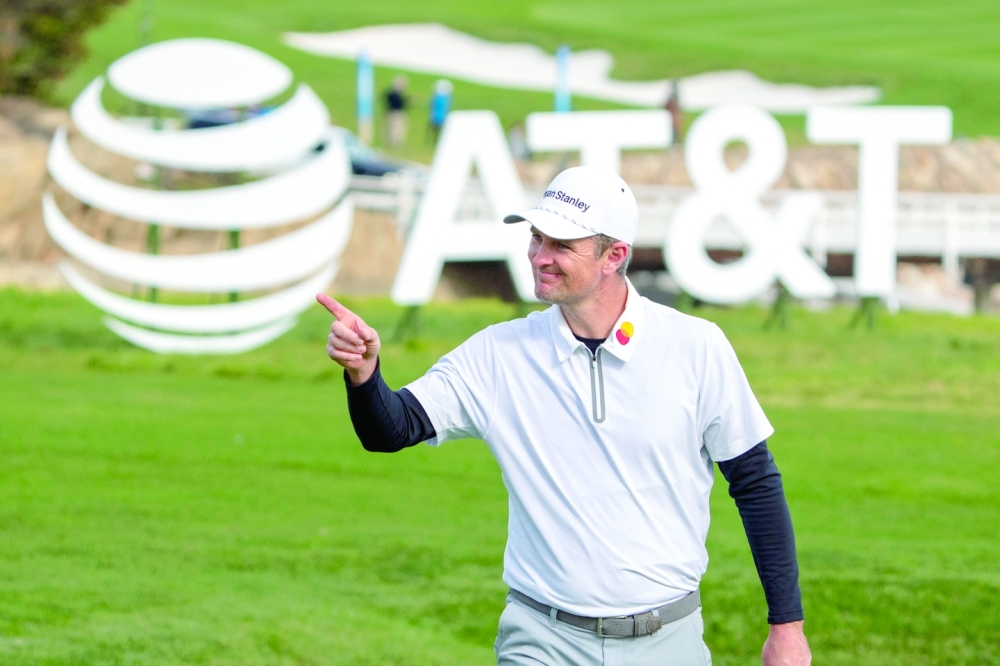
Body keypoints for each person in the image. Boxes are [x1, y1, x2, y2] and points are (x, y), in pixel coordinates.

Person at [317, 166, 811, 666]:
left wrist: (786, 629)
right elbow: (390, 428)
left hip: (668, 640)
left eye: (561, 244)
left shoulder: (697, 347)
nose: (539, 257)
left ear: (613, 255)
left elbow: (755, 482)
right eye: (536, 238)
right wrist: (365, 373)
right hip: (542, 639)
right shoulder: (498, 354)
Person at [384, 75, 409, 146]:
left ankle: (397, 143)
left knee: (399, 129)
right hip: (393, 112)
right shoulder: (392, 94)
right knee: (392, 128)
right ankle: (392, 142)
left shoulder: (400, 94)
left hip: (399, 113)